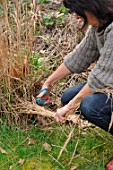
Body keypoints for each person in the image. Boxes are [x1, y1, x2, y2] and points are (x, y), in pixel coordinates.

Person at [36, 0, 113, 169]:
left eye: (79, 10)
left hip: (109, 81)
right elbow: (79, 57)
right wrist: (48, 83)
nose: (76, 15)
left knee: (90, 106)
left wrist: (69, 108)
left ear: (92, 7)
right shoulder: (100, 25)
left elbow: (102, 77)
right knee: (68, 96)